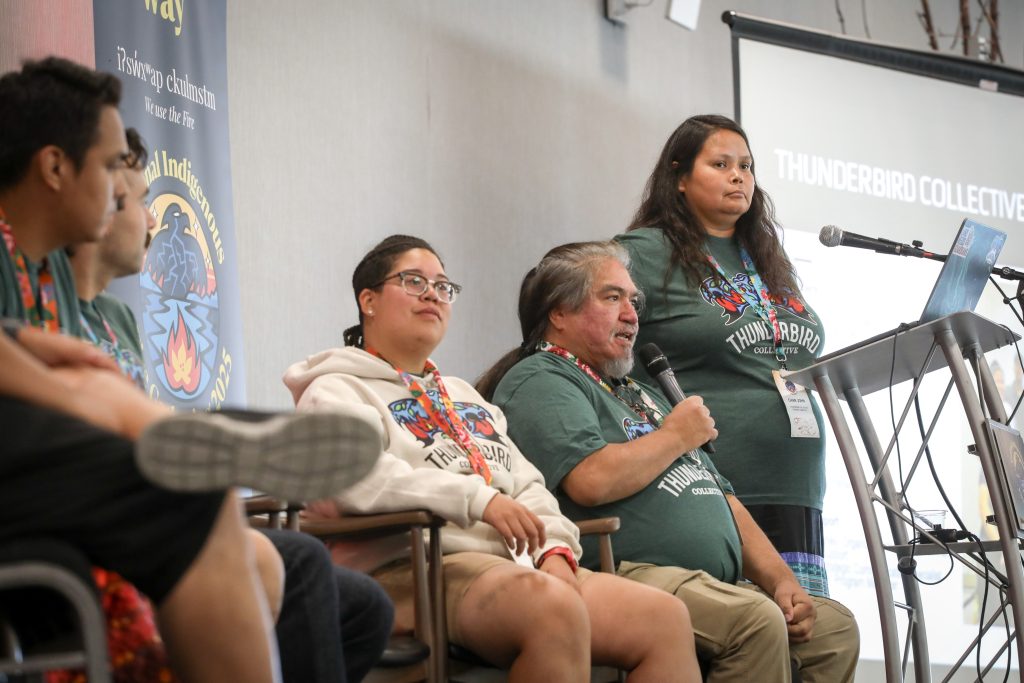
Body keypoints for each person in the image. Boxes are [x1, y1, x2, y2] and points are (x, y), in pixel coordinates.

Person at [0, 56, 382, 683]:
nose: (124, 196)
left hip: (41, 470)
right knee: (182, 492)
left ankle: (176, 438)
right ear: (54, 167)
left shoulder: (40, 276)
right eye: (108, 167)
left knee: (206, 506)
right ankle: (171, 437)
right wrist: (71, 393)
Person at [284, 234, 701, 683]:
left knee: (664, 619)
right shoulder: (335, 388)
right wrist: (479, 501)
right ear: (368, 300)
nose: (432, 294)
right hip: (413, 567)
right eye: (412, 281)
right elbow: (358, 477)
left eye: (443, 286)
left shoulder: (464, 397)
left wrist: (554, 550)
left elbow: (526, 484)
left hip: (514, 566)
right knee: (551, 609)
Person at [482, 240, 858, 682]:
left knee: (834, 630)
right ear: (559, 313)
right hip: (619, 570)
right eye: (612, 297)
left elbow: (725, 498)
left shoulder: (637, 392)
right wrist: (676, 435)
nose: (631, 313)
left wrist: (782, 581)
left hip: (709, 582)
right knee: (754, 620)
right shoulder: (542, 377)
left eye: (633, 300)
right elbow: (591, 480)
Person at [615, 115, 831, 598]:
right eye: (721, 164)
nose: (739, 176)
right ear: (680, 178)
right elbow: (598, 337)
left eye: (747, 166)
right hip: (716, 485)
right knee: (743, 643)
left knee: (801, 641)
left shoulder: (764, 255)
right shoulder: (644, 253)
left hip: (797, 486)